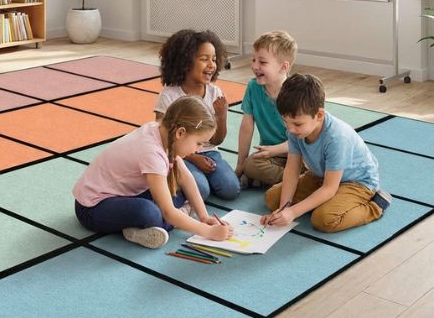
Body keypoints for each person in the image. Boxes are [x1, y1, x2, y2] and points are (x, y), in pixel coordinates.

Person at [73, 95, 234, 249]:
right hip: (92, 208)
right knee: (150, 213)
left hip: (127, 195)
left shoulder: (163, 132)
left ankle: (165, 220)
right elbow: (168, 212)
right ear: (180, 133)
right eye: (199, 143)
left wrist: (204, 217)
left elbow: (186, 179)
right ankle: (145, 226)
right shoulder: (151, 152)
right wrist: (208, 232)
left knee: (191, 189)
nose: (198, 149)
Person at [260, 73, 392, 233]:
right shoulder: (295, 131)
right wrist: (283, 208)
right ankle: (320, 202)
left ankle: (375, 206)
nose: (290, 129)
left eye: (297, 123)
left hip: (356, 182)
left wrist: (293, 212)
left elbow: (329, 188)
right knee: (272, 198)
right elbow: (292, 170)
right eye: (285, 122)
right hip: (321, 176)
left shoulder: (337, 137)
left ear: (319, 115)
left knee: (323, 219)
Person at [154, 28, 240, 201]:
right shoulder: (169, 95)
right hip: (181, 155)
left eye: (214, 59)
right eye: (204, 59)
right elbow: (162, 139)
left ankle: (200, 179)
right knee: (201, 191)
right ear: (185, 62)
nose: (211, 65)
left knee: (231, 189)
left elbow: (217, 140)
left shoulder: (215, 92)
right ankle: (178, 178)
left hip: (210, 153)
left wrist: (222, 116)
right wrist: (194, 159)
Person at [235, 30, 298, 188]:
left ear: (283, 67)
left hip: (297, 152)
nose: (255, 66)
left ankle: (294, 181)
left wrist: (276, 150)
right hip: (269, 155)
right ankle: (293, 180)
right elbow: (246, 127)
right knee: (251, 165)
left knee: (313, 164)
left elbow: (302, 140)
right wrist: (241, 165)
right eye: (254, 59)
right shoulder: (253, 87)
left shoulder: (297, 93)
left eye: (262, 62)